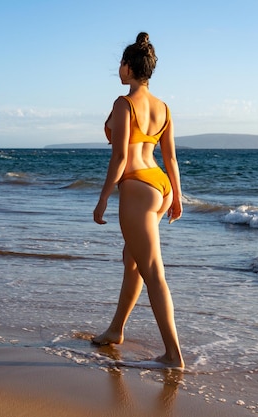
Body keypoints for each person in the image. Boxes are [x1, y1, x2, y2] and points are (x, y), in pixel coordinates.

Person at [92, 32, 184, 369]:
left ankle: (174, 355)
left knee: (153, 272)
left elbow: (119, 158)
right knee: (131, 259)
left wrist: (102, 198)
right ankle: (116, 330)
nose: (118, 68)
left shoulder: (123, 104)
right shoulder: (164, 108)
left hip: (136, 187)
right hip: (160, 185)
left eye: (121, 63)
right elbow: (171, 159)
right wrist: (177, 196)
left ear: (129, 68)